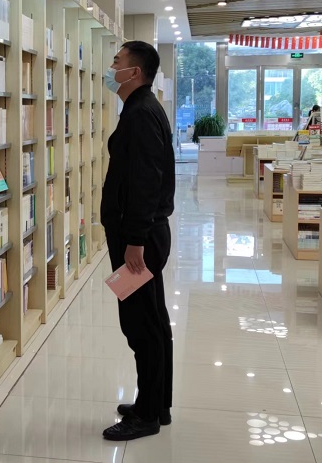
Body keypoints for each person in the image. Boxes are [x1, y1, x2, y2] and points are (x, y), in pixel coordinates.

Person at [99, 40, 176, 441]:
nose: (111, 68)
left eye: (117, 61)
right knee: (153, 321)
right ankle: (156, 404)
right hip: (142, 236)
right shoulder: (141, 107)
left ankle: (147, 415)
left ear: (135, 72)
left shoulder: (141, 113)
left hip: (139, 241)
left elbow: (146, 182)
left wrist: (134, 240)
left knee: (141, 326)